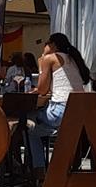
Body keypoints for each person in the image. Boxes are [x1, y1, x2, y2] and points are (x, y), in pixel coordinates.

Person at [30, 34, 89, 169]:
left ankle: (38, 169)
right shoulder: (73, 58)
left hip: (61, 111)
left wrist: (41, 64)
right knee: (34, 123)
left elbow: (42, 90)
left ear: (52, 45)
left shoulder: (50, 58)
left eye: (46, 43)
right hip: (79, 111)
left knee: (28, 125)